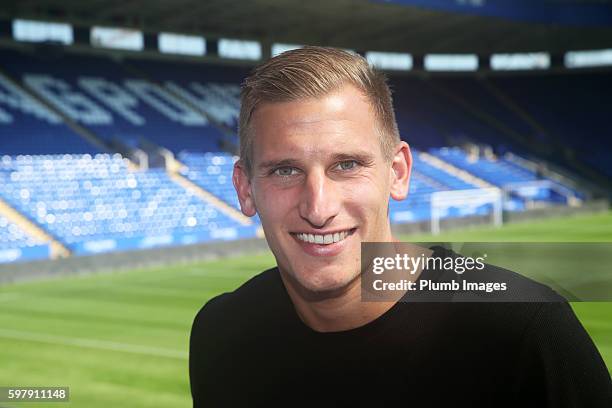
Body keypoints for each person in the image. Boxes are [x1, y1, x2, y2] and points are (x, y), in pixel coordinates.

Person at [189, 46, 611, 407]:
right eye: (285, 170)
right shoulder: (220, 335)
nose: (318, 207)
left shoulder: (526, 329)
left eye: (347, 164)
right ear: (245, 189)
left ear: (398, 173)